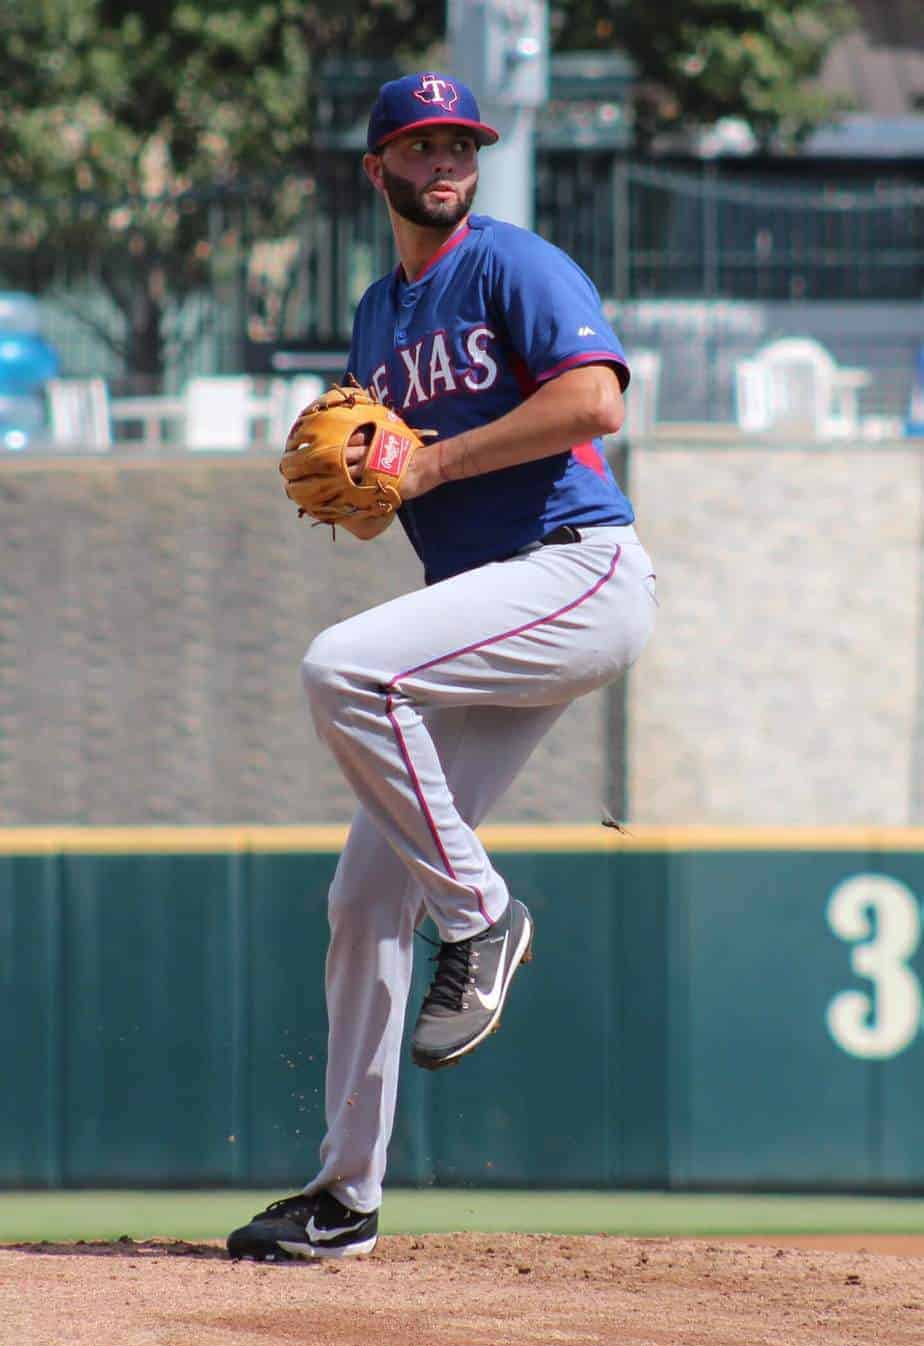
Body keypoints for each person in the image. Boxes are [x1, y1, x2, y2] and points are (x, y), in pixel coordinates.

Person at [227, 71, 656, 1263]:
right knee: (364, 902)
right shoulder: (378, 316)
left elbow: (594, 399)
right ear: (379, 171)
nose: (444, 158)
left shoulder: (510, 264)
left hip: (581, 570)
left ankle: (486, 914)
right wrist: (369, 481)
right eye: (420, 144)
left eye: (459, 139)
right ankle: (345, 1199)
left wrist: (431, 467)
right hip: (486, 605)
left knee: (340, 669)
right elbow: (390, 475)